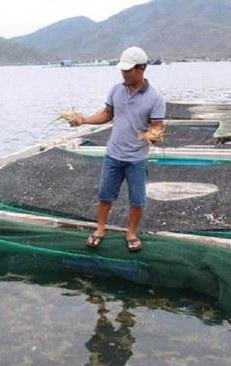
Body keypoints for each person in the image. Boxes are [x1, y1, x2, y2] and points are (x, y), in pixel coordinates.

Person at [69, 46, 165, 252]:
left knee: (137, 199)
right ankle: (100, 229)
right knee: (104, 195)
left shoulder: (155, 98)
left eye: (127, 70)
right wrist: (83, 120)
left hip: (137, 158)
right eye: (122, 70)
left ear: (141, 68)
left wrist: (154, 136)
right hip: (113, 154)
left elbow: (156, 126)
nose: (123, 73)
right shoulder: (116, 90)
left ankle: (131, 233)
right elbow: (106, 114)